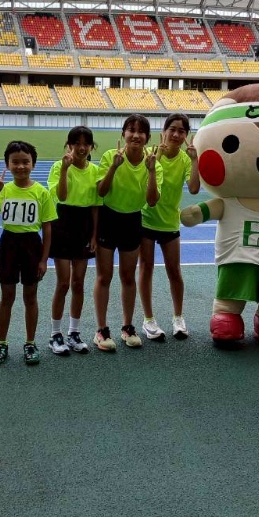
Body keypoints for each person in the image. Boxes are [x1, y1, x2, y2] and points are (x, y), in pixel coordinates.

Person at [0, 141, 57, 366]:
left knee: (30, 296)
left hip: (31, 246)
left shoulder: (41, 192)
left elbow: (47, 228)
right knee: (7, 296)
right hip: (9, 244)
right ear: (7, 164)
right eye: (15, 162)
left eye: (25, 162)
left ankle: (30, 343)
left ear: (33, 164)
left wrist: (44, 259)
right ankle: (2, 343)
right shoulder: (4, 190)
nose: (20, 166)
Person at [93, 114, 158, 350]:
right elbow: (101, 191)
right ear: (123, 134)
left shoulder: (153, 162)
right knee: (104, 276)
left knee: (128, 277)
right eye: (131, 130)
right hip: (108, 218)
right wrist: (113, 167)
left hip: (132, 220)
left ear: (148, 138)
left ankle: (127, 327)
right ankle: (101, 330)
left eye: (141, 132)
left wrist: (151, 171)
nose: (136, 135)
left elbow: (151, 201)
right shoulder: (112, 156)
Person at [138, 113, 199, 341]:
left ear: (185, 136)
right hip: (146, 219)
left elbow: (193, 189)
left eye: (181, 131)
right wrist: (159, 157)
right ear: (164, 131)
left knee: (175, 272)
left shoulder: (184, 159)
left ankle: (178, 318)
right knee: (146, 268)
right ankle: (148, 320)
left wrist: (194, 160)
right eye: (172, 129)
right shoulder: (151, 155)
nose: (175, 134)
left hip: (170, 223)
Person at [47, 126, 99, 356]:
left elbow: (96, 208)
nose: (81, 147)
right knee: (63, 283)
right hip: (63, 223)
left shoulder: (95, 171)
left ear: (91, 147)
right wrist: (65, 170)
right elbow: (62, 196)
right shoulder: (59, 167)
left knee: (79, 283)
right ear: (69, 146)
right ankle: (55, 334)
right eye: (76, 143)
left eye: (86, 143)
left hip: (84, 225)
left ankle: (74, 332)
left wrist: (95, 235)